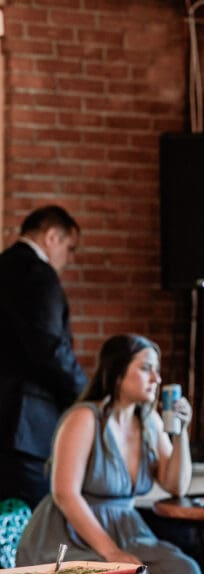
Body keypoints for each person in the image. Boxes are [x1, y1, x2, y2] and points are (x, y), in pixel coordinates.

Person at [16, 334, 204, 574]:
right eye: (146, 369)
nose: (156, 378)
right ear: (118, 373)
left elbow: (176, 484)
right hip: (69, 530)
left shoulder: (148, 422)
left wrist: (179, 432)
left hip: (128, 527)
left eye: (157, 370)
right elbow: (64, 493)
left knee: (186, 571)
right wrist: (111, 551)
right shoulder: (85, 418)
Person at [0, 206, 88, 509]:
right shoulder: (38, 275)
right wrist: (89, 396)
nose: (70, 258)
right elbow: (51, 351)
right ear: (52, 236)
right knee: (30, 533)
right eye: (70, 247)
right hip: (23, 428)